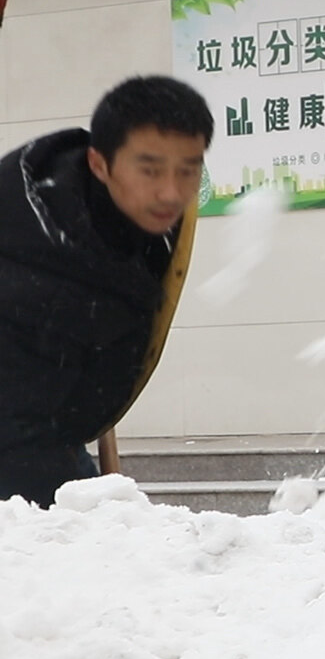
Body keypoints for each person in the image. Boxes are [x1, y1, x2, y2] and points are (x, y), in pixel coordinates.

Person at [0, 76, 211, 506]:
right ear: (99, 164)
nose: (170, 191)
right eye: (149, 170)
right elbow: (20, 440)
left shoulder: (117, 218)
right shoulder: (31, 277)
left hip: (55, 421)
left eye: (186, 170)